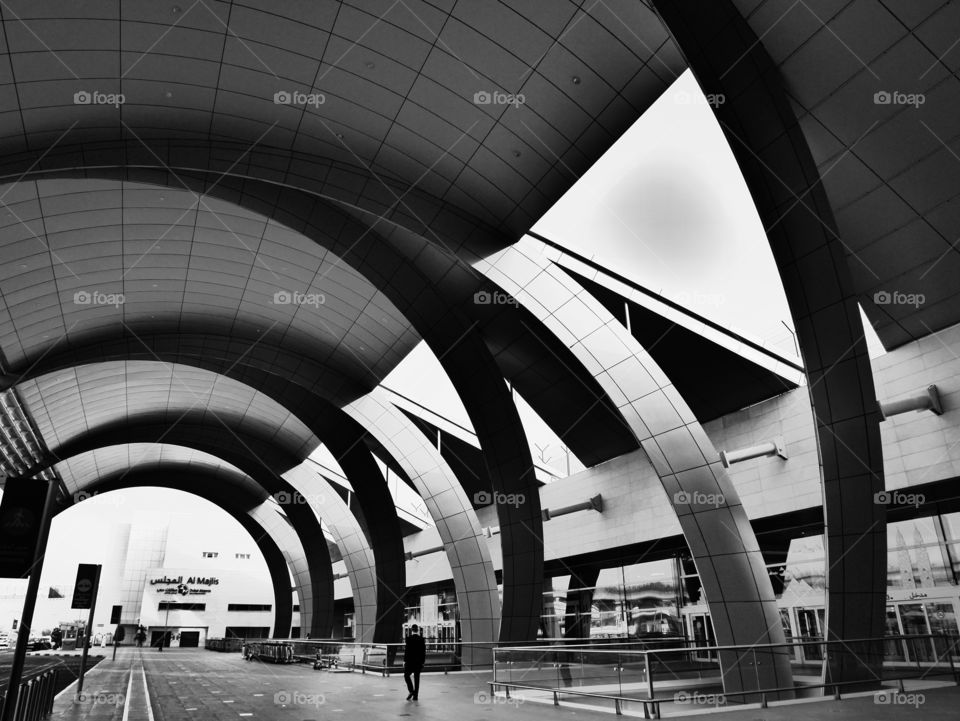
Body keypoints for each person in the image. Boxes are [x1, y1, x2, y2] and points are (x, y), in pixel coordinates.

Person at [403, 625, 426, 701]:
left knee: (406, 676)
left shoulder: (408, 639)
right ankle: (415, 696)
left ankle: (411, 691)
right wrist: (423, 662)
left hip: (409, 662)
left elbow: (407, 651)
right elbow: (423, 652)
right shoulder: (421, 639)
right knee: (417, 678)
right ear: (418, 630)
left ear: (412, 630)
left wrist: (404, 661)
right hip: (418, 662)